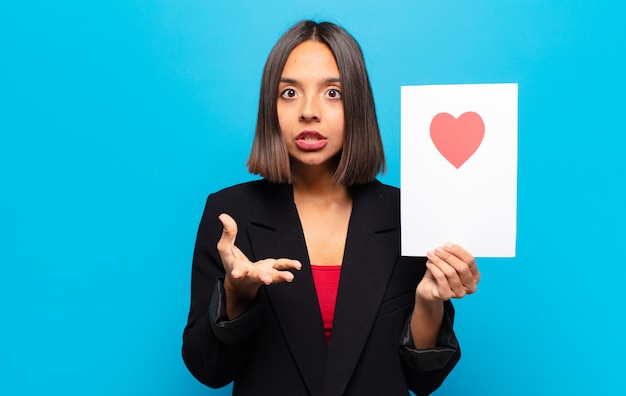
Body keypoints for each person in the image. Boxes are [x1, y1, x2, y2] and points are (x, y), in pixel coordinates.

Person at [182, 20, 480, 396]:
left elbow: (423, 379)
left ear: (359, 104)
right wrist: (237, 295)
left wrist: (428, 303)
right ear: (269, 107)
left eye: (333, 93)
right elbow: (207, 370)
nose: (309, 111)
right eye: (289, 92)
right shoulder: (229, 215)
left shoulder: (411, 214)